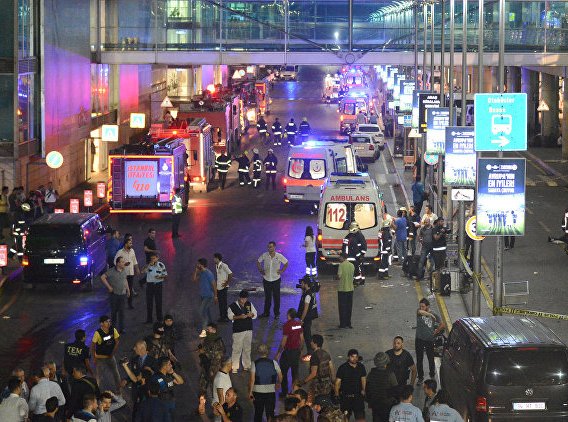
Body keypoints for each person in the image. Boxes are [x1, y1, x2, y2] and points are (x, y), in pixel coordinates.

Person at [248, 343, 282, 422]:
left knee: (258, 413)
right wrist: (278, 383)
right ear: (268, 352)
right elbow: (280, 376)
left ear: (258, 352)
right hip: (270, 391)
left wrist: (250, 392)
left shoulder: (254, 364)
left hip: (257, 391)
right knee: (270, 413)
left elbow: (252, 379)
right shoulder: (274, 363)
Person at [275, 309, 304, 396]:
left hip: (288, 353)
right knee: (295, 373)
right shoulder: (299, 325)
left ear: (288, 315)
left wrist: (279, 353)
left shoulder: (287, 325)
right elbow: (302, 339)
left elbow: (284, 341)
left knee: (283, 372)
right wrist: (300, 350)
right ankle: (295, 392)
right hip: (296, 352)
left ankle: (284, 393)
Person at [415, 298, 445, 384]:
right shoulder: (419, 312)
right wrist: (430, 315)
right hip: (419, 339)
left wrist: (437, 330)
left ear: (427, 306)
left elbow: (442, 324)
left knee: (430, 359)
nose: (421, 308)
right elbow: (420, 312)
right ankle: (420, 377)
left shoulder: (435, 314)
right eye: (420, 306)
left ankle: (432, 375)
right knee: (419, 359)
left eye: (423, 306)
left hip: (429, 340)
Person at [257, 241, 288, 318]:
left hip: (276, 280)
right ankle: (266, 313)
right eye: (268, 247)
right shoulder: (265, 255)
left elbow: (286, 263)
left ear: (274, 247)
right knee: (267, 298)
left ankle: (276, 314)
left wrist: (282, 271)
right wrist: (261, 270)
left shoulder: (279, 256)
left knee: (276, 298)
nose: (269, 248)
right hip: (266, 280)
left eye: (270, 247)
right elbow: (258, 261)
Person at [90, 315, 122, 392]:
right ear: (101, 324)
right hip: (100, 358)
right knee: (99, 376)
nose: (108, 323)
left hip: (110, 357)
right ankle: (98, 392)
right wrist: (94, 358)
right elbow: (93, 346)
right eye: (106, 322)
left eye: (109, 321)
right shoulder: (97, 333)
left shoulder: (113, 330)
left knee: (116, 373)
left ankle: (119, 389)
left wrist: (112, 353)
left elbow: (117, 342)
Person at [228, 290, 256, 373]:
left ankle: (246, 365)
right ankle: (235, 367)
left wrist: (252, 315)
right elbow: (230, 317)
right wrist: (240, 317)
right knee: (237, 349)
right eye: (242, 299)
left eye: (245, 299)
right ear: (239, 298)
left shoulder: (249, 304)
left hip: (248, 330)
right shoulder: (232, 306)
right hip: (238, 331)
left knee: (247, 349)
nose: (244, 300)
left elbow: (255, 314)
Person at [334, 349, 366, 422]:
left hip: (358, 398)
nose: (354, 359)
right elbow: (337, 383)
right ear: (348, 357)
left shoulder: (361, 367)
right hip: (346, 399)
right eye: (352, 357)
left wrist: (364, 390)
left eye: (356, 357)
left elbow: (363, 379)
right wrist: (336, 394)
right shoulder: (343, 368)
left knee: (360, 418)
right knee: (345, 418)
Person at [365, 352, 398, 422]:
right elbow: (395, 390)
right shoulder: (390, 374)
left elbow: (367, 389)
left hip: (375, 404)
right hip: (388, 405)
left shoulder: (371, 374)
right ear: (387, 362)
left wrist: (369, 402)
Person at [100, 256, 130, 333]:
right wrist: (109, 287)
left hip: (122, 295)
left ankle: (122, 328)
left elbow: (125, 280)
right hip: (114, 295)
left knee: (122, 312)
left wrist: (128, 290)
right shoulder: (111, 271)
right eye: (122, 262)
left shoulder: (124, 270)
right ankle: (113, 328)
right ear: (118, 263)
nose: (124, 263)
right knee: (114, 312)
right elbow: (103, 277)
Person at [194, 258, 218, 338]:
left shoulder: (208, 273)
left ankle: (204, 330)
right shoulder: (201, 273)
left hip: (208, 296)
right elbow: (194, 280)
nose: (197, 265)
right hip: (202, 296)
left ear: (201, 264)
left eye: (198, 264)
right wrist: (196, 272)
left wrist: (215, 296)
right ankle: (211, 326)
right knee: (206, 311)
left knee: (201, 311)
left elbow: (214, 284)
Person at [114, 236, 140, 310]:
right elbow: (115, 261)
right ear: (125, 244)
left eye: (131, 243)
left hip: (130, 273)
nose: (131, 244)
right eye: (130, 243)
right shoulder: (120, 252)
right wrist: (123, 265)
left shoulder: (132, 251)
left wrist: (137, 268)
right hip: (122, 273)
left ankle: (130, 304)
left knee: (130, 288)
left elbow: (134, 260)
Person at [142, 253, 167, 324]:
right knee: (149, 303)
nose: (152, 260)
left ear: (157, 258)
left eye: (154, 258)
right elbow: (143, 271)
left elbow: (165, 276)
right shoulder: (149, 265)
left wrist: (160, 277)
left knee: (158, 302)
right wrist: (149, 264)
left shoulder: (161, 265)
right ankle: (149, 319)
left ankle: (159, 318)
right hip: (149, 285)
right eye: (151, 258)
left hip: (158, 285)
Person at [342, 221, 367, 286]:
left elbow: (344, 247)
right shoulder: (356, 237)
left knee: (356, 269)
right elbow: (360, 247)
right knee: (357, 269)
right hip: (355, 256)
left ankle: (359, 281)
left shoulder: (347, 237)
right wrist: (360, 255)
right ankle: (357, 281)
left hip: (351, 256)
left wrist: (344, 255)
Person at [336, 253, 355, 328]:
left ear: (343, 258)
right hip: (350, 289)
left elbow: (339, 276)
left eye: (340, 257)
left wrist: (336, 277)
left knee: (342, 308)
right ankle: (348, 323)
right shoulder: (352, 265)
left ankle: (342, 324)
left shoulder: (341, 265)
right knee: (349, 307)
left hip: (342, 289)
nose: (339, 259)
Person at [214, 253, 233, 323]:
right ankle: (222, 316)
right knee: (221, 303)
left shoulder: (224, 265)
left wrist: (227, 283)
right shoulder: (216, 265)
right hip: (219, 287)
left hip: (224, 287)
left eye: (214, 258)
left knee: (223, 303)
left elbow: (230, 273)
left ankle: (225, 317)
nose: (213, 259)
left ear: (217, 258)